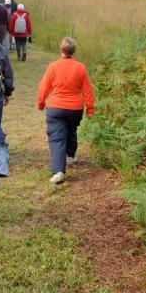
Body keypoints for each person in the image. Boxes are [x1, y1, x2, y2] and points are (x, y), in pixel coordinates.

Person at [36, 37, 96, 185]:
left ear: (61, 49)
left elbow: (44, 87)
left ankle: (58, 171)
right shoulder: (80, 67)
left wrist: (41, 102)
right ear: (73, 50)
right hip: (75, 109)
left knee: (57, 137)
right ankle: (70, 154)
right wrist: (90, 108)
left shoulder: (53, 66)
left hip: (56, 107)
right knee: (71, 129)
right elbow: (87, 90)